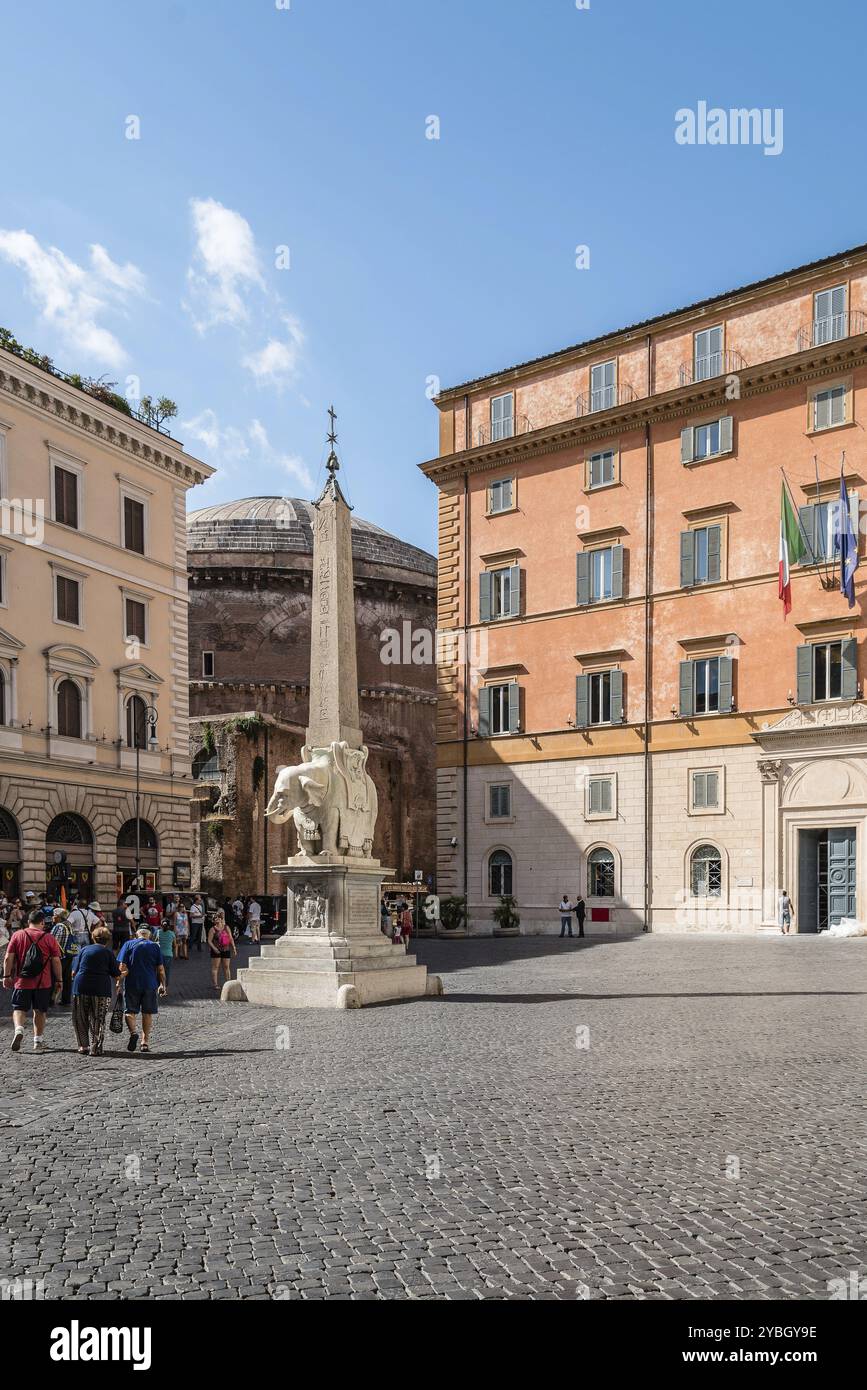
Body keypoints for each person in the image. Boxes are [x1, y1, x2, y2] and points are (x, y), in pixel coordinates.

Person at [3, 907, 63, 1052]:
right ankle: (38, 1041)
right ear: (42, 922)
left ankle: (18, 1029)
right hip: (43, 982)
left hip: (22, 981)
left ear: (28, 921)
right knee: (40, 1011)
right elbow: (56, 961)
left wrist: (6, 976)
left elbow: (8, 958)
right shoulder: (49, 938)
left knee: (19, 1008)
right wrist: (60, 980)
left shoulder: (18, 935)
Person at [71, 925, 126, 1056]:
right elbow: (116, 974)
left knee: (80, 1017)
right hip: (100, 988)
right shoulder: (108, 953)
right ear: (107, 940)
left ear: (93, 938)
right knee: (98, 1018)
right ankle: (95, 1048)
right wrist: (125, 973)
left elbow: (73, 972)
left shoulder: (84, 950)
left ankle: (83, 1046)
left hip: (81, 986)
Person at [117, 927, 167, 1054]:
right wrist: (163, 985)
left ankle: (133, 1033)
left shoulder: (128, 944)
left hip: (132, 983)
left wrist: (119, 982)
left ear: (136, 934)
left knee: (129, 1011)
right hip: (150, 984)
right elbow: (160, 969)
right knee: (147, 1013)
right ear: (149, 935)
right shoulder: (155, 946)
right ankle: (145, 1042)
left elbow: (122, 967)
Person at [207, 909, 237, 991]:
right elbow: (209, 940)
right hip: (216, 950)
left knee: (226, 966)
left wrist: (234, 948)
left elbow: (231, 938)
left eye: (217, 918)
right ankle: (215, 984)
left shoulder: (226, 927)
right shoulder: (212, 929)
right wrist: (214, 948)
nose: (216, 920)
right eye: (214, 919)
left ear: (221, 919)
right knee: (215, 967)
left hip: (226, 949)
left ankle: (228, 982)